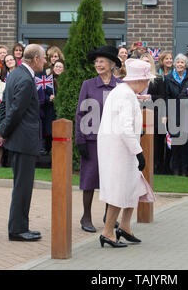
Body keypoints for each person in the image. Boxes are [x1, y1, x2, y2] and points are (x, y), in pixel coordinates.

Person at [98, 58, 155, 248]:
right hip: (119, 149)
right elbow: (124, 127)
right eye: (146, 81)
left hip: (121, 147)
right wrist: (139, 152)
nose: (147, 85)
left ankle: (124, 226)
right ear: (138, 80)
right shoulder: (125, 95)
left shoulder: (124, 92)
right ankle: (107, 232)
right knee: (119, 189)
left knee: (133, 186)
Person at [0, 44, 46, 241]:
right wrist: (4, 131)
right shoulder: (24, 78)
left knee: (21, 186)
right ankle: (17, 230)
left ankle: (21, 226)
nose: (45, 61)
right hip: (23, 141)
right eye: (43, 58)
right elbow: (15, 109)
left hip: (17, 139)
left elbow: (5, 105)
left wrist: (2, 129)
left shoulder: (15, 74)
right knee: (23, 187)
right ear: (35, 59)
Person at [75, 45, 122, 233]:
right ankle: (85, 216)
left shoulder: (120, 86)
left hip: (113, 140)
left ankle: (108, 215)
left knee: (111, 179)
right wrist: (80, 139)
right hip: (92, 139)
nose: (98, 64)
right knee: (89, 179)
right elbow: (80, 112)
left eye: (102, 61)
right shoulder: (88, 85)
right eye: (96, 61)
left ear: (111, 65)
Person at [165, 53, 188, 176]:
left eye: (182, 62)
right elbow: (166, 96)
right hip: (173, 111)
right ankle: (175, 168)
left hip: (187, 111)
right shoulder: (168, 78)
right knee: (175, 142)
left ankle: (185, 168)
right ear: (174, 64)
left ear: (186, 65)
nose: (179, 65)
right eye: (177, 62)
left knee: (185, 142)